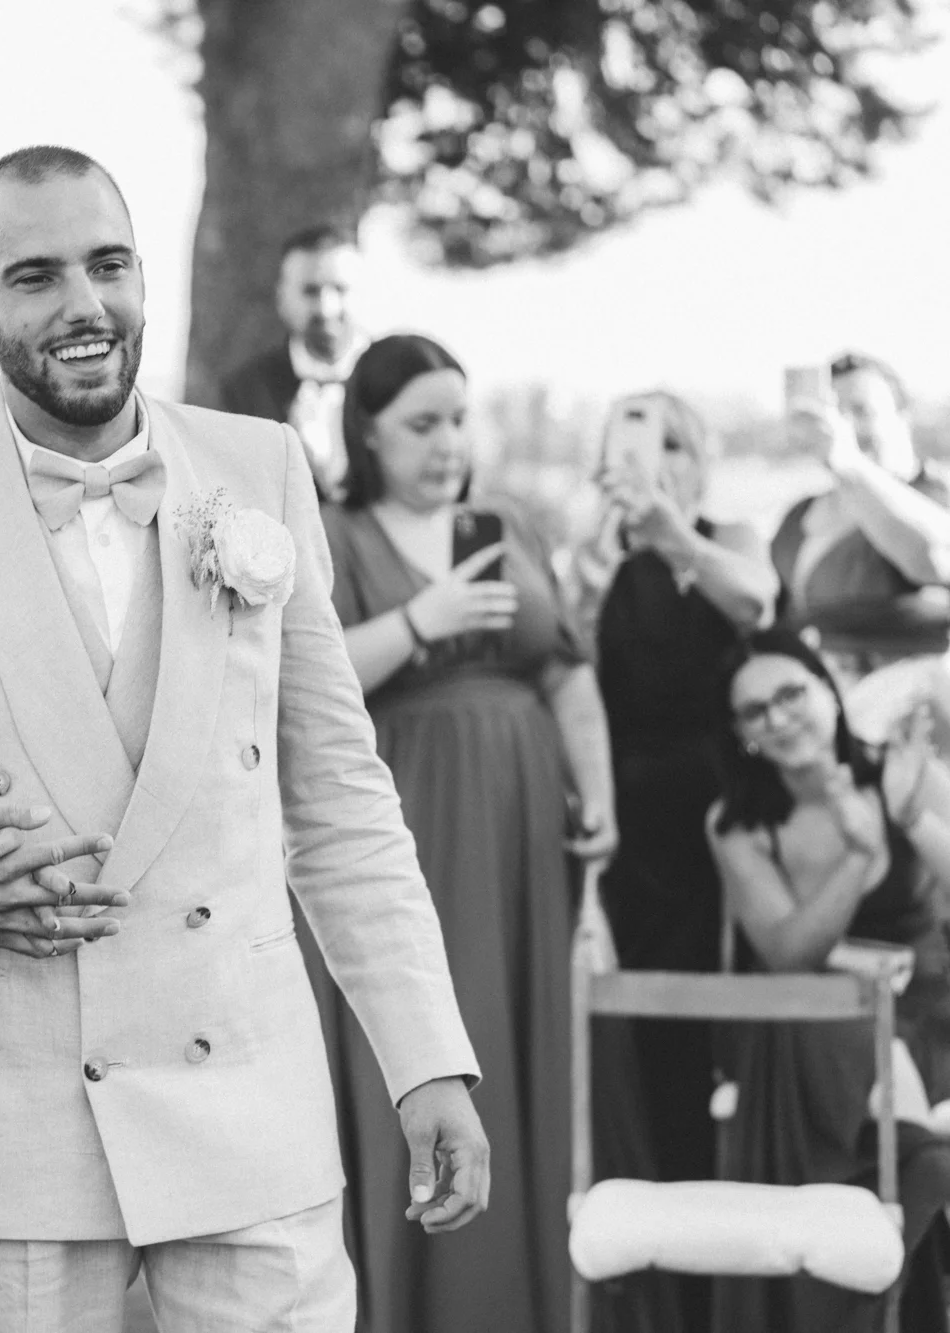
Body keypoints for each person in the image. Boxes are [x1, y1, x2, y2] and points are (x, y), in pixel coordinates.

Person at [0, 146, 486, 1332]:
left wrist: (426, 1056)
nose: (83, 303)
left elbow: (339, 797)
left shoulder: (258, 469)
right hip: (10, 1118)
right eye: (33, 276)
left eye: (108, 264)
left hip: (248, 1100)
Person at [310, 333, 619, 1332]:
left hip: (523, 832)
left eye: (456, 419)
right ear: (367, 431)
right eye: (420, 424)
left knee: (517, 1042)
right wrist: (421, 620)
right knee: (426, 1034)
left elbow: (564, 667)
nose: (447, 443)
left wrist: (596, 790)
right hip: (405, 821)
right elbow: (307, 678)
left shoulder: (505, 523)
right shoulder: (333, 530)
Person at [573, 391, 779, 1331]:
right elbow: (569, 665)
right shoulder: (594, 558)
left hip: (720, 820)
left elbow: (760, 601)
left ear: (697, 460)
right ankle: (652, 1278)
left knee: (723, 1043)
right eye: (631, 449)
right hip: (625, 825)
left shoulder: (725, 536)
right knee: (646, 1052)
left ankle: (731, 1280)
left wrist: (670, 535)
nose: (653, 467)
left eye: (669, 448)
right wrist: (601, 551)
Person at [707, 630, 950, 1332]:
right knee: (846, 1039)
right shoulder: (738, 824)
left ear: (829, 691)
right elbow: (788, 954)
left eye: (792, 693)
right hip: (819, 1030)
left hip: (928, 1010)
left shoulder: (901, 770)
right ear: (742, 734)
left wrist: (909, 817)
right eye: (756, 711)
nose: (779, 718)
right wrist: (858, 856)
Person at [773, 352, 950, 693]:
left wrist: (846, 459)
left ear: (903, 415)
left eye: (861, 411)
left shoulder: (936, 496)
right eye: (834, 412)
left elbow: (932, 559)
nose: (843, 426)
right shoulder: (798, 517)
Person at [215, 224, 368, 500]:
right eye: (310, 291)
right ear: (282, 298)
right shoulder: (245, 391)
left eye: (340, 289)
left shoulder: (401, 379)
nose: (326, 308)